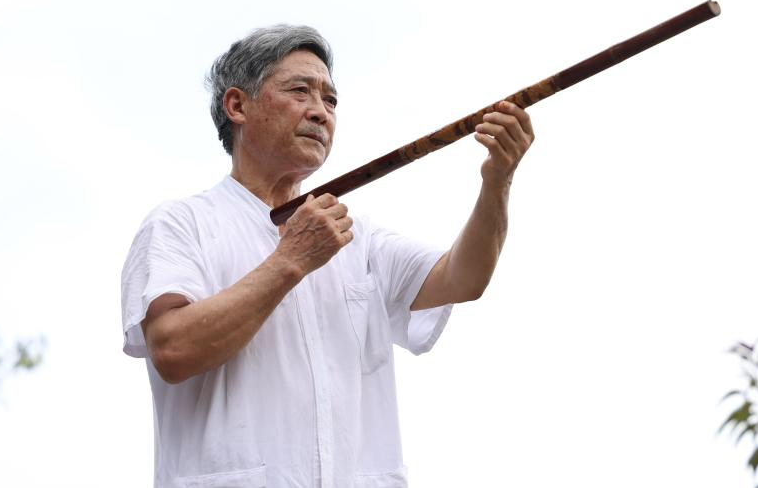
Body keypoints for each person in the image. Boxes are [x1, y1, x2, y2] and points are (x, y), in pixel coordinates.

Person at [120, 24, 534, 488]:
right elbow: (173, 350)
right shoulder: (181, 224)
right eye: (300, 91)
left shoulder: (359, 237)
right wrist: (290, 261)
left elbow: (463, 279)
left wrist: (498, 181)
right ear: (237, 106)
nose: (320, 112)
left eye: (331, 100)